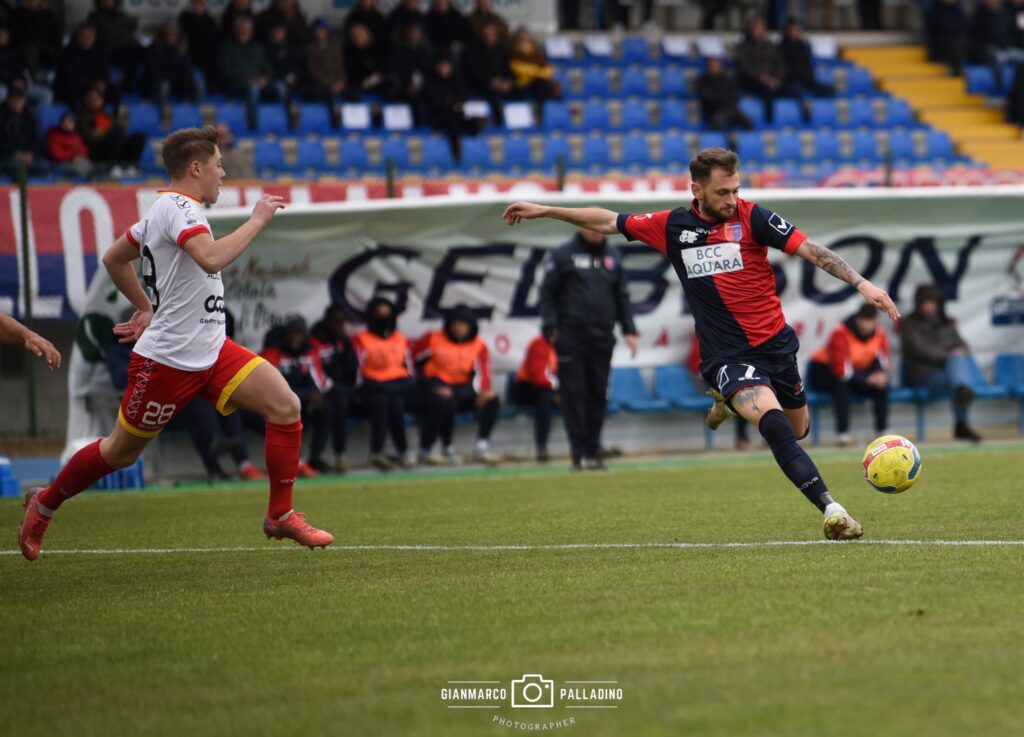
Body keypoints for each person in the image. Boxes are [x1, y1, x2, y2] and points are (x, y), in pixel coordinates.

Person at [503, 146, 901, 539]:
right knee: (776, 427)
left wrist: (862, 283)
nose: (732, 199)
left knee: (799, 430)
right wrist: (545, 209)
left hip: (777, 347)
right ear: (697, 190)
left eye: (736, 190)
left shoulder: (753, 216)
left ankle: (724, 403)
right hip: (726, 356)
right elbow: (608, 220)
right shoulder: (673, 226)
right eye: (722, 192)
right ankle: (832, 510)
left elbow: (812, 251)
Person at [17, 125, 334, 562]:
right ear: (196, 167)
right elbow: (211, 257)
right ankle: (45, 503)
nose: (223, 174)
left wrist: (146, 307)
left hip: (212, 348)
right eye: (220, 166)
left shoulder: (161, 211)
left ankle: (279, 515)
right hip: (167, 361)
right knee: (118, 452)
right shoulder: (180, 207)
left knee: (286, 406)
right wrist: (257, 219)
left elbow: (114, 258)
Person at [536, 226, 638, 471]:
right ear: (581, 227)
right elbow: (547, 293)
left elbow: (621, 295)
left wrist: (628, 330)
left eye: (599, 227)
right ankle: (578, 452)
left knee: (598, 394)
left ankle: (593, 451)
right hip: (571, 335)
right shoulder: (563, 255)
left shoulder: (613, 256)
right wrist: (550, 326)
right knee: (574, 395)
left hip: (602, 335)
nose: (597, 231)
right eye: (590, 226)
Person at [412, 304, 500, 465]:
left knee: (492, 399)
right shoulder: (432, 338)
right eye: (455, 323)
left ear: (471, 326)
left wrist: (482, 392)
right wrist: (430, 386)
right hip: (434, 389)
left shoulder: (479, 345)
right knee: (444, 399)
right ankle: (431, 449)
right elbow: (412, 364)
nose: (459, 327)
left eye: (463, 324)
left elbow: (483, 373)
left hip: (463, 390)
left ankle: (482, 446)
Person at [901, 284, 982, 442]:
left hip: (947, 373)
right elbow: (919, 351)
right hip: (923, 375)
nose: (929, 307)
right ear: (918, 304)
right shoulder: (909, 324)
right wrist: (948, 355)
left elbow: (963, 345)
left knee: (958, 365)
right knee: (957, 369)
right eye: (925, 303)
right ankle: (962, 423)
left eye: (932, 302)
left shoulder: (945, 322)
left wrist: (955, 354)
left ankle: (962, 390)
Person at [807, 304, 891, 446]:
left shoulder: (880, 334)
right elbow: (841, 370)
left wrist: (879, 376)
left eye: (871, 321)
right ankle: (842, 433)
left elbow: (883, 361)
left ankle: (882, 431)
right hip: (823, 372)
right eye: (864, 320)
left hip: (855, 374)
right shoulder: (840, 333)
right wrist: (867, 381)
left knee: (881, 387)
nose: (867, 325)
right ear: (858, 320)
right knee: (841, 387)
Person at [260, 315, 330, 476]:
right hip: (270, 404)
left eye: (299, 333)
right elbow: (272, 388)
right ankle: (292, 462)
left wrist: (314, 394)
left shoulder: (309, 353)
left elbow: (320, 382)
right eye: (291, 333)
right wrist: (306, 395)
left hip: (297, 403)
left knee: (327, 407)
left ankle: (315, 457)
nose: (294, 337)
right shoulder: (272, 354)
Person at [352, 296, 416, 470]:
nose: (384, 318)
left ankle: (403, 452)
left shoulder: (400, 339)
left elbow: (410, 372)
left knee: (395, 403)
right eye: (379, 314)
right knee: (382, 402)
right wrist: (380, 385)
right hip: (371, 388)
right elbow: (357, 375)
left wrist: (396, 386)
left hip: (397, 387)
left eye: (387, 314)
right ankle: (377, 452)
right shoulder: (361, 339)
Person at [311, 304, 359, 473]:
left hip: (340, 391)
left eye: (341, 321)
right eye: (335, 321)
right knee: (328, 408)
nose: (339, 325)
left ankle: (340, 455)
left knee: (341, 404)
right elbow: (316, 371)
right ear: (327, 321)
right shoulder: (315, 340)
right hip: (320, 389)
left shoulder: (343, 341)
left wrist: (345, 344)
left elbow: (353, 369)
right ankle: (315, 456)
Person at [734, 16, 802, 125]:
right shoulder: (743, 47)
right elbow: (744, 67)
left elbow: (780, 65)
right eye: (756, 28)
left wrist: (777, 79)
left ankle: (799, 120)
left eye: (761, 28)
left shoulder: (770, 46)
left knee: (796, 89)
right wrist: (762, 78)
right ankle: (769, 123)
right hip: (754, 82)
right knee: (767, 92)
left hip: (773, 81)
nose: (758, 31)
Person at [512, 326, 559, 462]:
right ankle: (541, 446)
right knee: (545, 399)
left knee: (583, 398)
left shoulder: (567, 347)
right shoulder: (538, 345)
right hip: (526, 388)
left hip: (550, 389)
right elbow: (538, 377)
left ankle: (591, 445)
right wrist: (558, 391)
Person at [778, 18, 835, 98]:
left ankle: (825, 109)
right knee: (798, 91)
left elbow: (807, 65)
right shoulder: (782, 47)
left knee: (830, 90)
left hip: (807, 80)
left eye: (797, 29)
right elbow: (783, 69)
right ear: (787, 30)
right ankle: (806, 108)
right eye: (793, 30)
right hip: (791, 81)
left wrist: (809, 78)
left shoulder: (803, 46)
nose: (795, 32)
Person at [696, 56, 753, 131]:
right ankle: (718, 141)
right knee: (717, 121)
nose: (714, 67)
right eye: (711, 65)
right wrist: (721, 99)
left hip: (731, 109)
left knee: (749, 123)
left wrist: (721, 99)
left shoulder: (728, 78)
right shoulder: (703, 80)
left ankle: (748, 141)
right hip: (715, 110)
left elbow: (734, 95)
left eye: (716, 64)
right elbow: (707, 98)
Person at [178, 0, 221, 92]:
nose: (197, 6)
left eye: (199, 4)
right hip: (192, 58)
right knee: (196, 82)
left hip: (208, 59)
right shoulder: (186, 19)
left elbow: (214, 42)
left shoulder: (210, 21)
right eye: (195, 4)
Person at [0, 85, 40, 177]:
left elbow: (37, 138)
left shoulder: (30, 115)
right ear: (9, 100)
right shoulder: (2, 116)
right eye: (15, 101)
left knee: (44, 167)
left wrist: (30, 153)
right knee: (16, 168)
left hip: (28, 156)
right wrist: (16, 154)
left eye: (20, 100)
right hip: (7, 156)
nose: (18, 104)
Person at [304, 18, 346, 102]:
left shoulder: (335, 46)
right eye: (318, 30)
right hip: (322, 84)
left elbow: (340, 66)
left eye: (323, 29)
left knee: (354, 94)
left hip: (338, 83)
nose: (320, 32)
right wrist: (330, 84)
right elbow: (314, 70)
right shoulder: (309, 48)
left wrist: (340, 82)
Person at [46, 111, 93, 179]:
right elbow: (56, 154)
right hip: (61, 163)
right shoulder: (55, 135)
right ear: (61, 123)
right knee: (80, 169)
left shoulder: (75, 136)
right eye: (65, 122)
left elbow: (84, 150)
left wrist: (79, 156)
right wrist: (72, 157)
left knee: (88, 165)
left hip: (76, 161)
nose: (67, 124)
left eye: (70, 122)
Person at [926, 0, 967, 76]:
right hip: (940, 47)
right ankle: (957, 72)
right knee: (954, 43)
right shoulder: (934, 11)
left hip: (957, 43)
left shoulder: (956, 10)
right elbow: (940, 31)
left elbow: (965, 27)